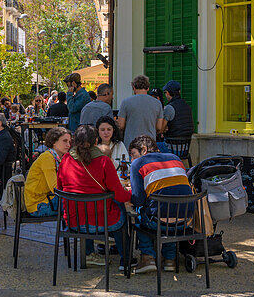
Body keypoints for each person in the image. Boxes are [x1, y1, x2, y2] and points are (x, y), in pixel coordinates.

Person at [56, 125, 132, 269]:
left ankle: (90, 253)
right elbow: (120, 194)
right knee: (119, 208)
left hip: (74, 221)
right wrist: (131, 194)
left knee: (86, 205)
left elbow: (60, 188)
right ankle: (126, 259)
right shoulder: (104, 161)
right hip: (102, 222)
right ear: (96, 141)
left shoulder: (66, 159)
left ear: (73, 141)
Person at [128, 135, 194, 274]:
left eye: (133, 155)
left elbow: (138, 199)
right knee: (169, 209)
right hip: (185, 220)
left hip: (158, 221)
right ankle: (170, 260)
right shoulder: (175, 158)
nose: (132, 160)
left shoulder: (138, 164)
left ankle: (147, 257)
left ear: (144, 149)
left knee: (138, 214)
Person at [23, 127, 71, 217]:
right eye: (65, 141)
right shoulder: (47, 158)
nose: (68, 145)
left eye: (69, 142)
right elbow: (55, 188)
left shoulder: (57, 158)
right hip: (39, 205)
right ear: (54, 142)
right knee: (80, 205)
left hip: (47, 200)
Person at [117, 75, 165, 149]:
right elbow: (159, 127)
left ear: (134, 88)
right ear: (148, 88)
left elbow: (121, 125)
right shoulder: (157, 103)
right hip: (149, 143)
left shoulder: (126, 102)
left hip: (131, 143)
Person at [159, 80, 194, 149]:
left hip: (171, 147)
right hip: (185, 148)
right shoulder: (187, 106)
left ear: (168, 93)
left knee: (152, 147)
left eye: (165, 93)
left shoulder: (169, 108)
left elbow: (161, 129)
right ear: (179, 92)